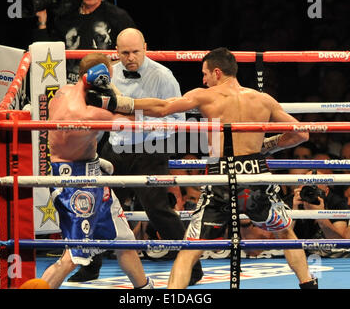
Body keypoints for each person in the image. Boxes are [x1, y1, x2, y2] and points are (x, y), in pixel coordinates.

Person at [116, 47, 316, 289]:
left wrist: (120, 103)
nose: (203, 79)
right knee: (285, 234)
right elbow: (301, 134)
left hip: (222, 174)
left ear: (217, 72)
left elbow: (162, 108)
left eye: (205, 74)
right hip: (256, 174)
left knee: (191, 249)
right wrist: (266, 146)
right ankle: (308, 284)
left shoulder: (206, 96)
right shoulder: (263, 100)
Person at [69, 28, 204, 285]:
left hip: (149, 150)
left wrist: (141, 123)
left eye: (135, 52)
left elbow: (178, 118)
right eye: (125, 53)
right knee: (97, 208)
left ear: (145, 47)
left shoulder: (163, 76)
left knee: (158, 210)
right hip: (116, 149)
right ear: (116, 52)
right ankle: (90, 267)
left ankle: (192, 267)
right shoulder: (109, 74)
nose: (130, 58)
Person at [41, 52, 152, 289]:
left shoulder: (61, 93)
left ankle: (144, 290)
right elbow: (133, 123)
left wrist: (95, 160)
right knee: (73, 257)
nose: (109, 85)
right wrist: (116, 99)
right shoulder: (91, 113)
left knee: (124, 240)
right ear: (98, 79)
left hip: (89, 173)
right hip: (76, 184)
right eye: (108, 79)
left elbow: (73, 144)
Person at [35, 0, 136, 83]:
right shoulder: (65, 16)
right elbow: (50, 54)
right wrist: (42, 23)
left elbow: (136, 54)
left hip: (105, 85)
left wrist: (107, 68)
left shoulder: (118, 17)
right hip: (70, 85)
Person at [287, 170, 349, 258]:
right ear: (299, 189)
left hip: (330, 257)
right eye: (306, 189)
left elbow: (341, 243)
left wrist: (321, 216)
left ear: (326, 191)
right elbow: (282, 239)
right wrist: (294, 213)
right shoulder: (292, 202)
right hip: (297, 255)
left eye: (315, 190)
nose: (310, 194)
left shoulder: (336, 203)